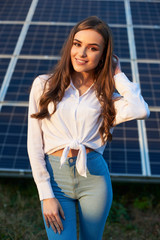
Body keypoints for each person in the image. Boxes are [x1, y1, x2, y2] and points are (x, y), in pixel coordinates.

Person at [27, 16, 150, 240]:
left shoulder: (107, 98)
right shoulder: (43, 85)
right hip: (56, 178)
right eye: (77, 44)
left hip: (94, 178)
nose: (82, 54)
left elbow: (140, 110)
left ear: (104, 55)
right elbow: (34, 145)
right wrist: (46, 195)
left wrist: (117, 74)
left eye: (92, 48)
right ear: (70, 46)